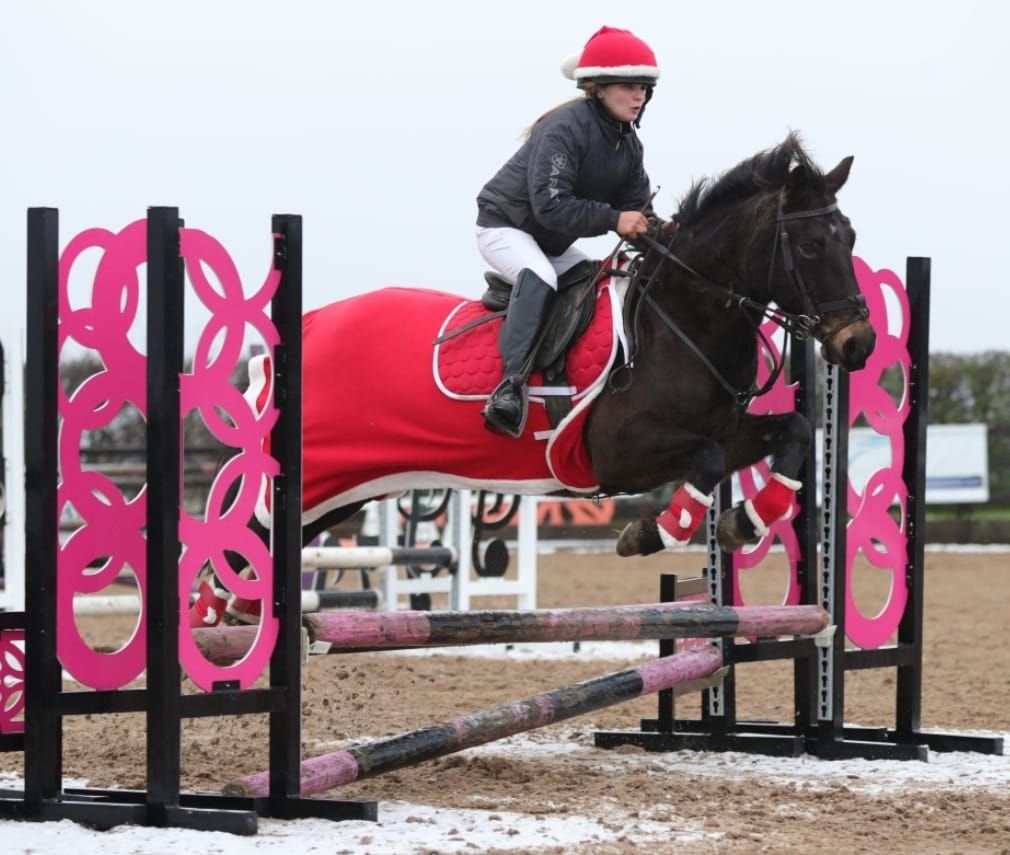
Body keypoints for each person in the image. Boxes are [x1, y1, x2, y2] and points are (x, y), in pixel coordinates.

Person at [475, 25, 661, 438]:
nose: (639, 97)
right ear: (597, 88)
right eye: (630, 87)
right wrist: (615, 220)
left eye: (644, 89)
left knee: (601, 281)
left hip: (549, 240)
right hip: (505, 228)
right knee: (539, 275)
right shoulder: (565, 127)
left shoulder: (628, 144)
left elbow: (638, 210)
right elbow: (551, 205)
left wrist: (665, 232)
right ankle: (509, 388)